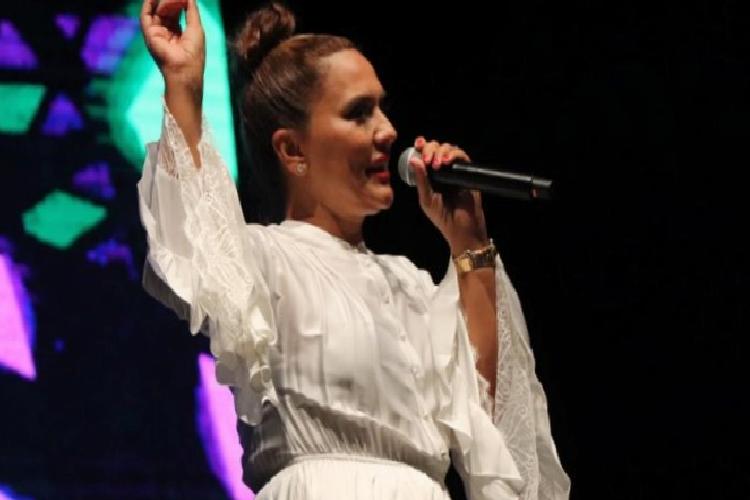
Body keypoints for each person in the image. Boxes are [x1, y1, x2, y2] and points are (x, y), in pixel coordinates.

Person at [138, 0, 571, 498]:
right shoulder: (264, 260)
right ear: (292, 150)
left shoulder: (410, 285)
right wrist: (183, 83)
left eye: (381, 108)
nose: (388, 130)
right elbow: (190, 233)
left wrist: (468, 243)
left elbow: (495, 431)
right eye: (359, 113)